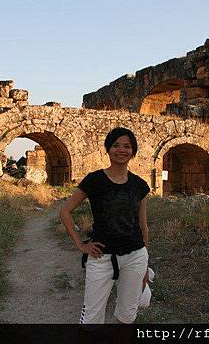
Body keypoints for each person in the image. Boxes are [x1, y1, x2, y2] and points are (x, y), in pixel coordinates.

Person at [59, 127, 150, 324]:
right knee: (91, 319)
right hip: (102, 256)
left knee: (127, 315)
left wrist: (145, 266)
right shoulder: (95, 180)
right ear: (107, 149)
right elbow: (65, 212)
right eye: (116, 145)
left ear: (133, 152)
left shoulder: (139, 185)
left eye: (127, 146)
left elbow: (143, 226)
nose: (121, 150)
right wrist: (81, 245)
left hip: (136, 256)